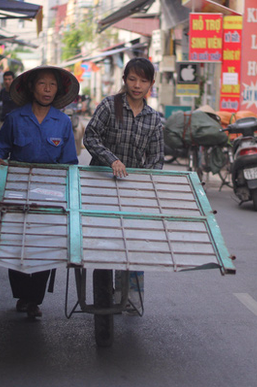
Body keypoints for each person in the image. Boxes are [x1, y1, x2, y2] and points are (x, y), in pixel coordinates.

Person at [0, 65, 79, 318]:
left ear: (58, 90)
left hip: (49, 194)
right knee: (17, 244)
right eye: (42, 84)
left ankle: (34, 300)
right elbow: (0, 149)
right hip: (18, 192)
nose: (47, 89)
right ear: (31, 87)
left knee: (43, 246)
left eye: (52, 85)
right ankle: (21, 294)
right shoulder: (15, 119)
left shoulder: (62, 122)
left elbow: (70, 162)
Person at [83, 57, 164, 314]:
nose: (137, 85)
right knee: (104, 242)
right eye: (132, 79)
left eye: (142, 80)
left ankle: (130, 298)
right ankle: (103, 293)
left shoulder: (153, 119)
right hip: (100, 184)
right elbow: (90, 136)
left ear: (151, 83)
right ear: (124, 80)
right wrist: (112, 160)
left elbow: (156, 160)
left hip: (132, 190)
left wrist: (143, 184)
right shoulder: (109, 105)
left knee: (133, 243)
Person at [0, 70, 17, 136]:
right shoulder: (2, 91)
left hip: (14, 121)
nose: (7, 81)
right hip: (3, 119)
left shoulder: (17, 92)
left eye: (9, 79)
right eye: (5, 79)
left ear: (13, 80)